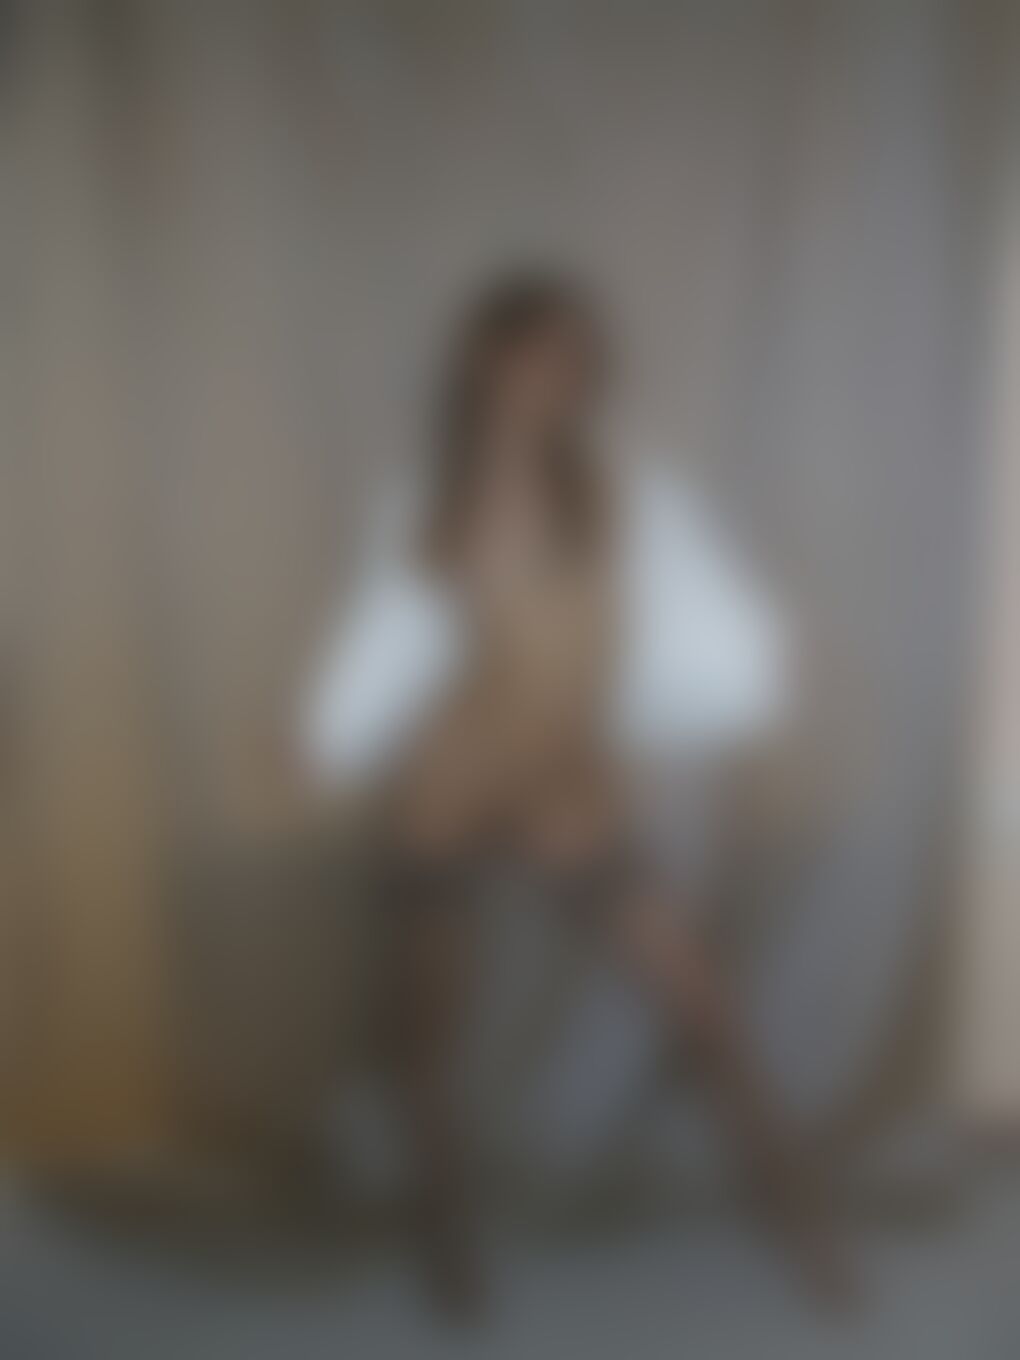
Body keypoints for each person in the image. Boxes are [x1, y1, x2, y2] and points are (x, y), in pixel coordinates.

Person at [298, 270, 844, 1313]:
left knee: (704, 1006)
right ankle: (442, 1231)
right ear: (483, 356)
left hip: (567, 788)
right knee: (424, 1035)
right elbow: (383, 638)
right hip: (447, 783)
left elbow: (705, 617)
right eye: (539, 351)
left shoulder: (628, 493)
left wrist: (765, 681)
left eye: (577, 360)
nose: (559, 376)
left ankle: (803, 1224)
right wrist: (325, 739)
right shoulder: (422, 504)